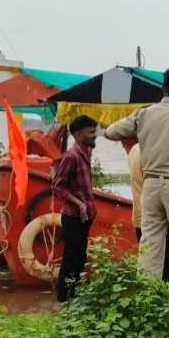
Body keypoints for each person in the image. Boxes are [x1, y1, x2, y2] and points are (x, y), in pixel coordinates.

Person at [104, 68, 169, 292]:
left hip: (151, 185)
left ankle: (148, 299)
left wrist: (144, 136)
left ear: (162, 89)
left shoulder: (145, 113)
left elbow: (111, 132)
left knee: (150, 242)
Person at [51, 115, 99, 303]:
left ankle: (74, 298)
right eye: (91, 132)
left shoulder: (86, 152)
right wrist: (79, 203)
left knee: (80, 259)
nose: (95, 135)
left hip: (85, 217)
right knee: (71, 259)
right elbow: (58, 186)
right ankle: (63, 300)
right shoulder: (71, 156)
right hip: (73, 217)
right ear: (78, 135)